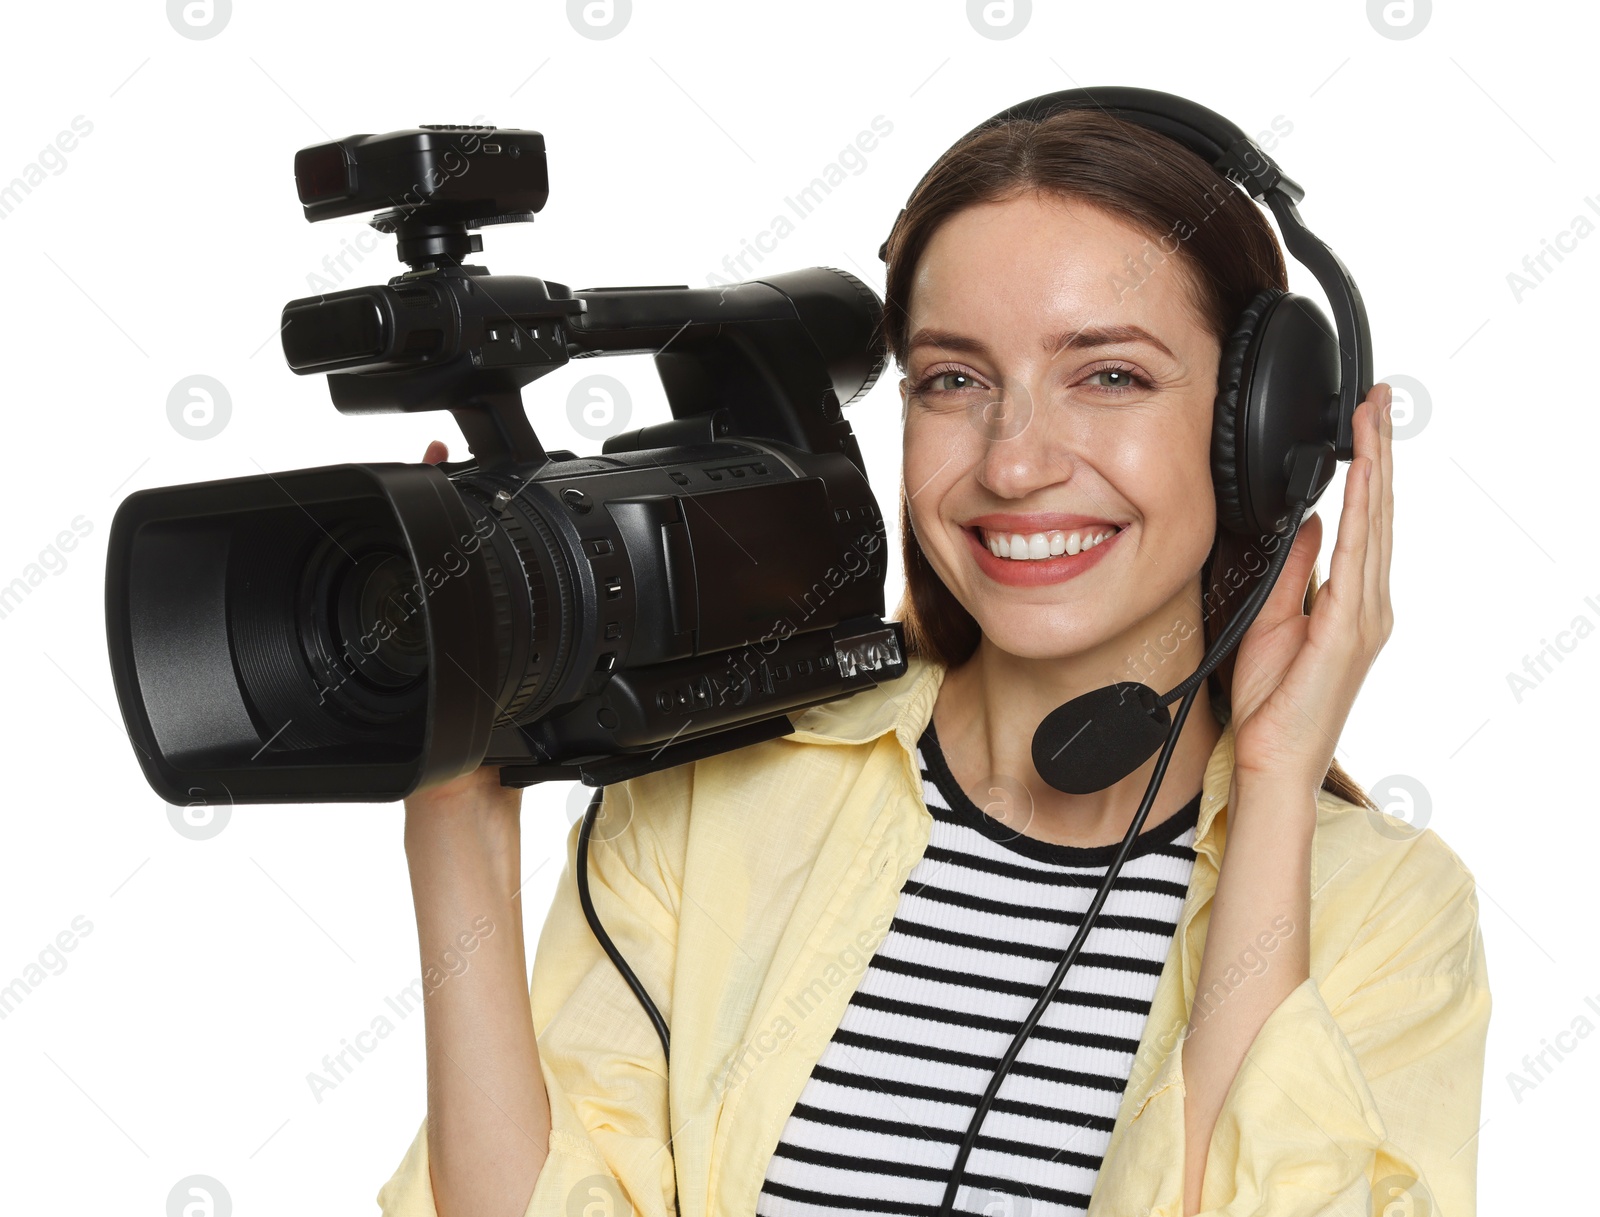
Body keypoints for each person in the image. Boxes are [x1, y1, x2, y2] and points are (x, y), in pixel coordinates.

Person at [377, 108, 1490, 1217]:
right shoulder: (709, 796)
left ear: (1262, 434)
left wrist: (1278, 781)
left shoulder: (1381, 909)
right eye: (954, 379)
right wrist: (457, 818)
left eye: (1107, 376)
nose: (1013, 463)